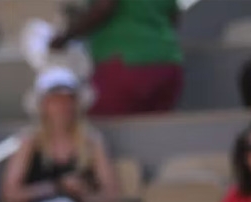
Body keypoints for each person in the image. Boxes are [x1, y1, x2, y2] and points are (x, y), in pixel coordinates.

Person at [1, 67, 119, 202]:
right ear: (43, 105)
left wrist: (84, 194)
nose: (62, 107)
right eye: (55, 101)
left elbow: (111, 195)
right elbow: (10, 195)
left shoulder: (92, 141)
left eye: (68, 100)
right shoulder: (29, 142)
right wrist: (56, 187)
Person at [50, 0, 183, 117]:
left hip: (125, 62)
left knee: (105, 129)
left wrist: (65, 37)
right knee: (155, 135)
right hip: (168, 63)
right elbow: (174, 14)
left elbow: (104, 6)